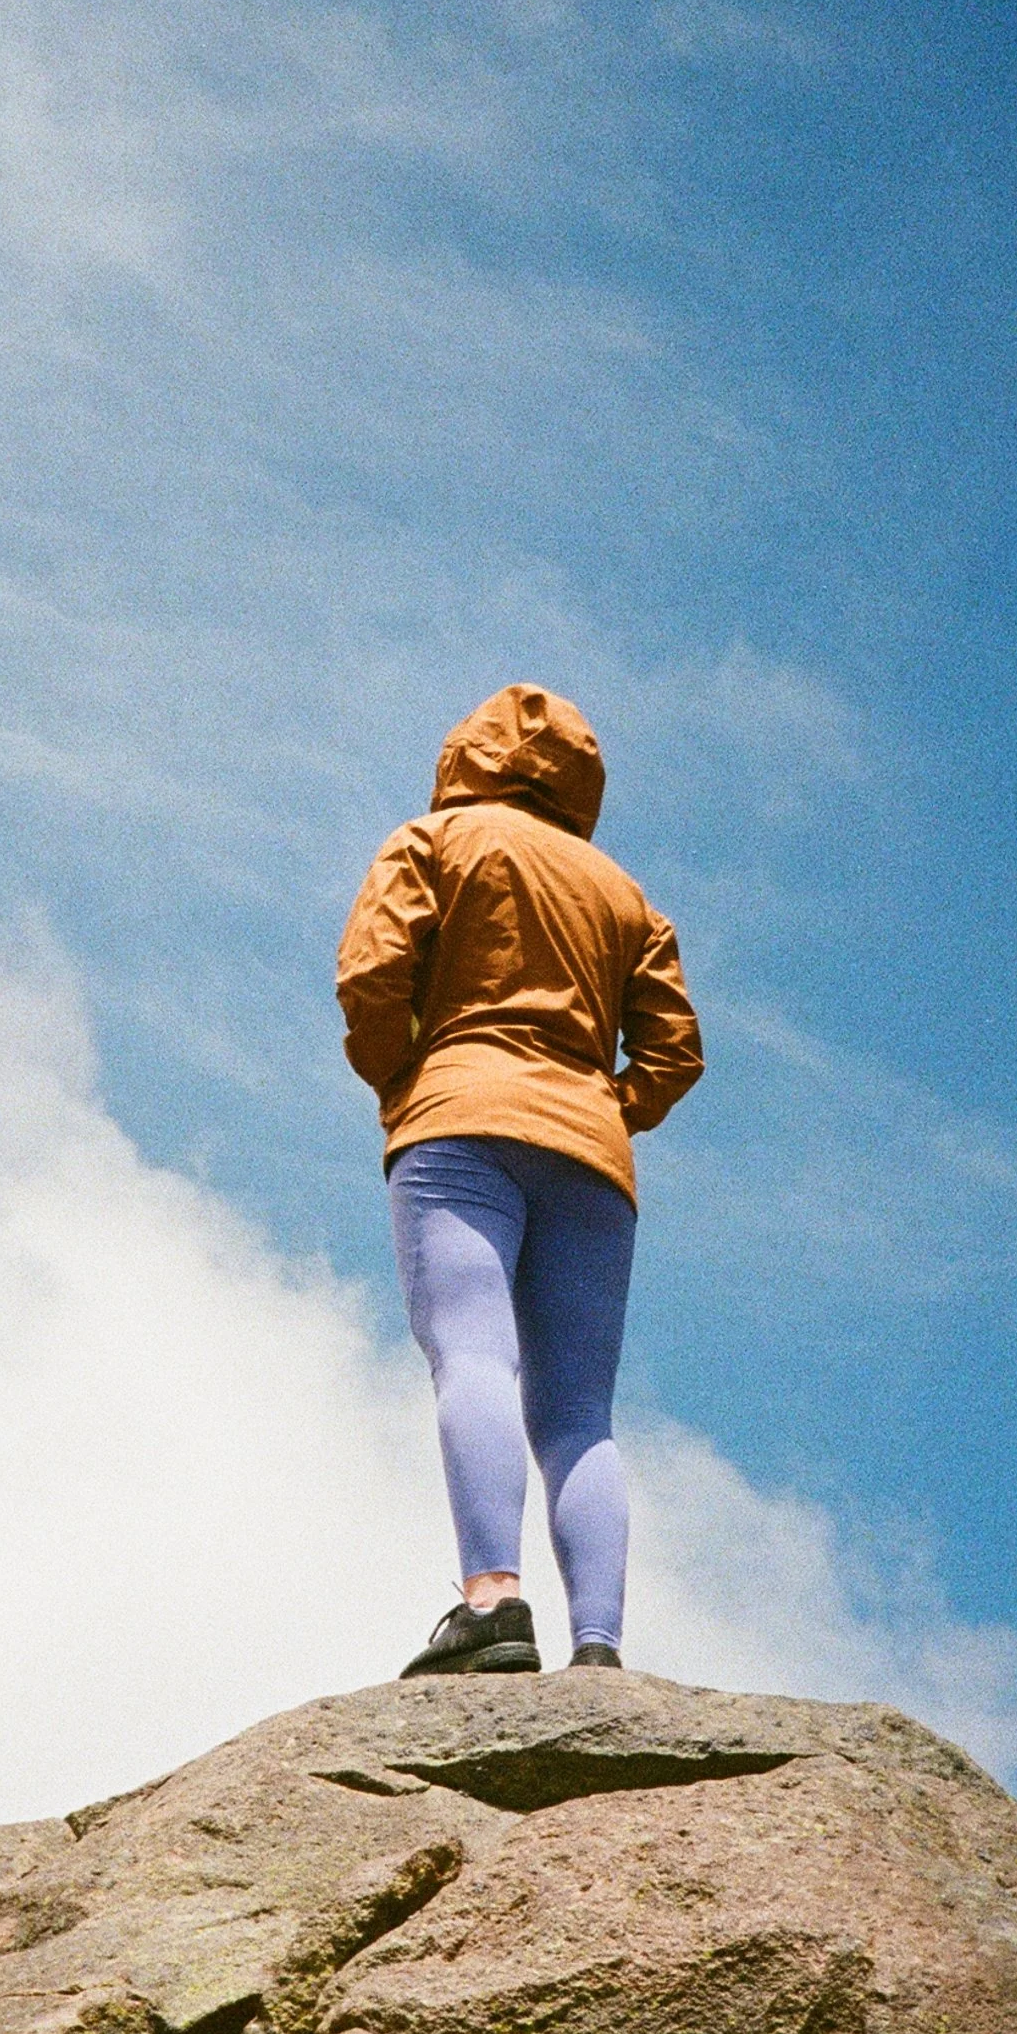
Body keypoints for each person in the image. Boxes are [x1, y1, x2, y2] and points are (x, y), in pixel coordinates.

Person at [337, 683, 703, 1677]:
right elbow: (673, 1055)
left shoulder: (432, 841)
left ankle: (492, 1602)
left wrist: (404, 1079)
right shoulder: (624, 895)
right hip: (592, 1160)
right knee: (580, 1413)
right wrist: (600, 1106)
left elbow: (372, 980)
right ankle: (598, 1645)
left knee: (473, 1358)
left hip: (458, 1118)